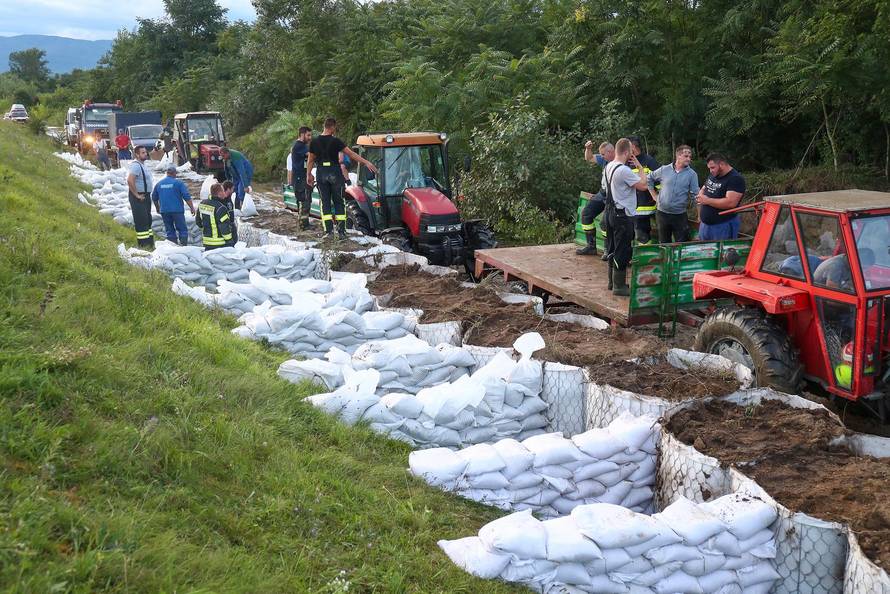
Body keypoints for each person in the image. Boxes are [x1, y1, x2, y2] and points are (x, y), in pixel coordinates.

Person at [306, 117, 378, 239]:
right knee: (339, 202)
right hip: (335, 172)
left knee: (325, 203)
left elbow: (311, 160)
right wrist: (366, 162)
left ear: (324, 126)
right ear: (332, 127)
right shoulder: (336, 141)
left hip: (321, 173)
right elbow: (351, 154)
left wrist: (308, 174)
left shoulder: (314, 142)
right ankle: (341, 232)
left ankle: (328, 232)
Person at [603, 138, 650, 296]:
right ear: (626, 152)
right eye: (631, 151)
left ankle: (611, 282)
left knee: (611, 247)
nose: (633, 153)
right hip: (622, 215)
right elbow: (643, 186)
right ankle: (619, 286)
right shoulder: (624, 170)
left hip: (610, 211)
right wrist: (640, 167)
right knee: (622, 250)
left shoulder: (609, 166)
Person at [648, 145, 699, 243]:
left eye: (690, 156)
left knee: (681, 244)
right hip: (662, 214)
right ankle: (666, 259)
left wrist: (698, 215)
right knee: (664, 243)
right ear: (678, 156)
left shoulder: (692, 174)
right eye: (686, 156)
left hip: (679, 215)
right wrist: (654, 196)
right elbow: (649, 178)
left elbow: (695, 196)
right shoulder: (664, 169)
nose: (689, 159)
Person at [577, 141, 615, 256]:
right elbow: (589, 158)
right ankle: (591, 246)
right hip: (602, 194)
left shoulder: (620, 162)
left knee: (604, 223)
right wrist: (588, 149)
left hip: (613, 196)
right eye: (601, 155)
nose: (602, 157)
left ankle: (608, 249)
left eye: (603, 154)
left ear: (611, 152)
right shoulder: (605, 159)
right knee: (586, 214)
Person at [696, 153, 746, 240]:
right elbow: (704, 188)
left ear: (722, 164)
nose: (710, 170)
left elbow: (730, 203)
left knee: (722, 253)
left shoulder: (735, 179)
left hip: (723, 226)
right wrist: (700, 195)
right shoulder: (714, 174)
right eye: (709, 168)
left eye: (712, 167)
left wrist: (707, 200)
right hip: (705, 225)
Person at [151, 164, 195, 245]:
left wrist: (158, 208)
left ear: (167, 173)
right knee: (182, 230)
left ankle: (173, 247)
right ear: (174, 173)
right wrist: (192, 208)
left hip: (165, 211)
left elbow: (154, 197)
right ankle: (183, 246)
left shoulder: (159, 184)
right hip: (177, 211)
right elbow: (186, 196)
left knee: (170, 231)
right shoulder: (179, 183)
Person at [628, 137, 659, 244]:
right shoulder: (626, 162)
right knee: (632, 234)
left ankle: (645, 256)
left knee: (642, 235)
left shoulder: (649, 161)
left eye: (627, 146)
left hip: (645, 206)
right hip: (630, 206)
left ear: (633, 147)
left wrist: (659, 199)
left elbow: (660, 183)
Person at [126, 145, 155, 249]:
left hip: (145, 196)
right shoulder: (136, 165)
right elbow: (130, 180)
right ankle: (143, 245)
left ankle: (150, 244)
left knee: (148, 219)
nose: (145, 154)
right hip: (139, 197)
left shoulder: (143, 165)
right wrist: (136, 195)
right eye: (143, 153)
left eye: (145, 152)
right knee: (141, 220)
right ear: (137, 154)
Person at [195, 183, 236, 250]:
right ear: (219, 193)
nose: (224, 193)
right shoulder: (220, 208)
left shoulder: (202, 204)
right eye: (223, 191)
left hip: (206, 242)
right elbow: (224, 227)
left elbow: (198, 222)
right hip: (219, 243)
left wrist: (207, 231)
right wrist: (230, 241)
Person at [290, 126, 313, 229]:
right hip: (300, 178)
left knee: (305, 200)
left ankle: (304, 223)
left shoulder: (302, 146)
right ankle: (303, 225)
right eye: (308, 135)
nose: (310, 137)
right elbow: (311, 155)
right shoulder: (299, 146)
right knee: (304, 200)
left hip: (301, 177)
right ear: (302, 134)